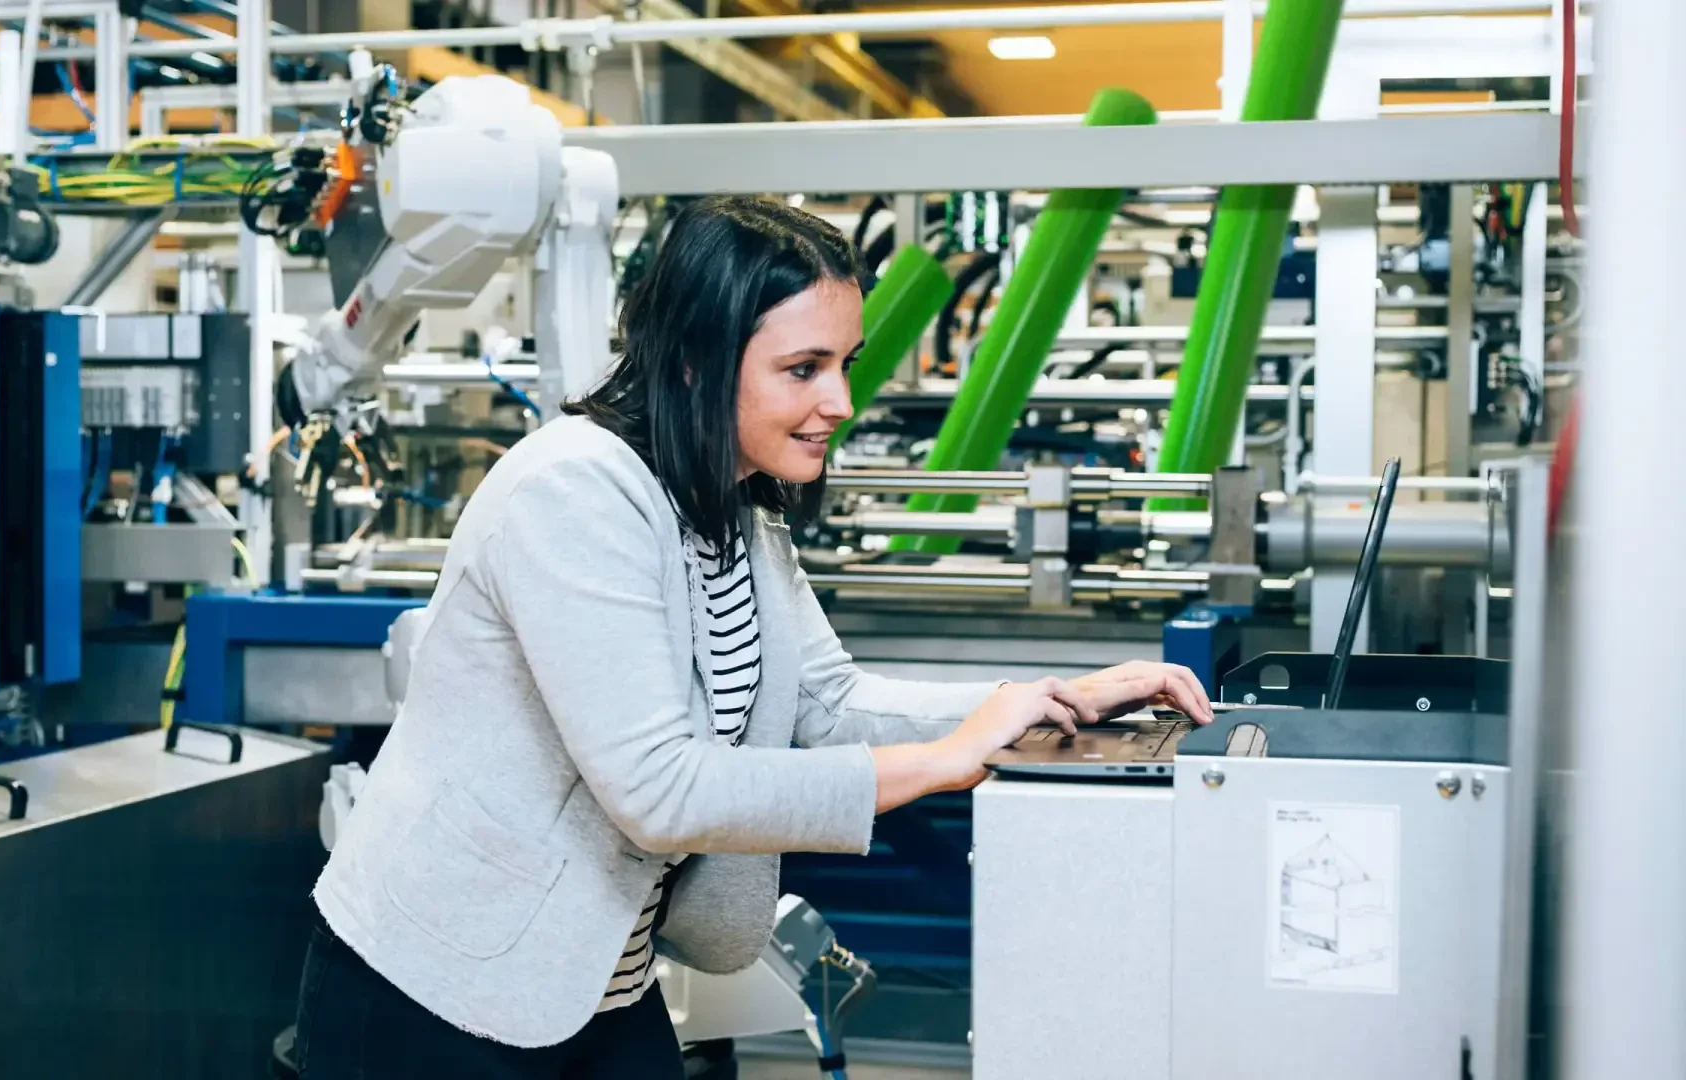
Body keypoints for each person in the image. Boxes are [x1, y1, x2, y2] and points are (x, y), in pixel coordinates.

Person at [292, 195, 1213, 1078]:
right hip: (443, 984)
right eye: (804, 368)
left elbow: (829, 702)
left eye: (845, 363)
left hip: (597, 981)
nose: (841, 400)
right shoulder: (573, 491)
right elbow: (659, 788)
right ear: (697, 360)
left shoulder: (735, 509)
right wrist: (942, 763)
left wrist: (1044, 706)